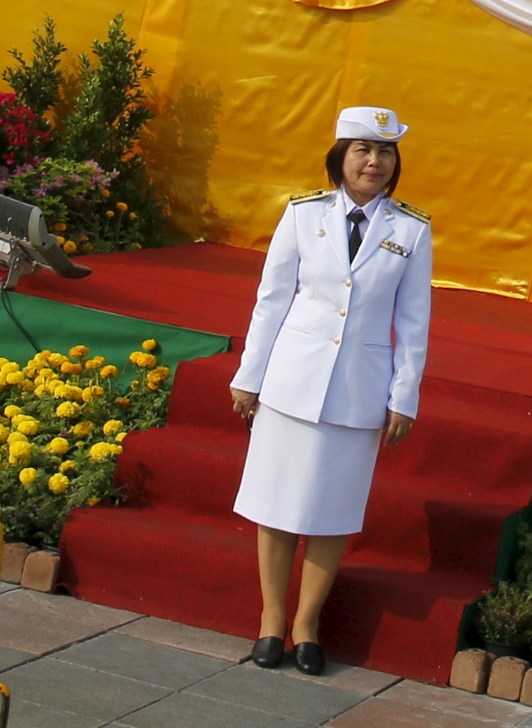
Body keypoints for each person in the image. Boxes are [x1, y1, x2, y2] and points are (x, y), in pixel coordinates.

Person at [227, 106, 433, 676]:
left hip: (357, 390)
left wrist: (404, 395)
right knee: (274, 503)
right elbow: (272, 299)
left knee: (333, 509)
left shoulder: (410, 229)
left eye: (385, 151)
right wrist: (250, 376)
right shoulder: (302, 215)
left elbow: (414, 319)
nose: (374, 161)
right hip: (291, 380)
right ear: (339, 157)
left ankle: (307, 626)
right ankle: (271, 620)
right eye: (362, 150)